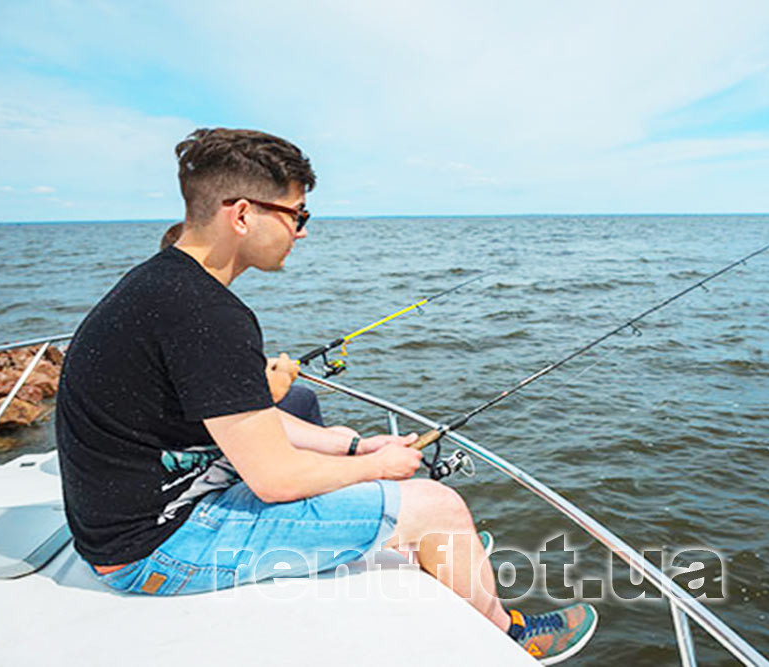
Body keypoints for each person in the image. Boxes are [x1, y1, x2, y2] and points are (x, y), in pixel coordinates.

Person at [56, 128, 597, 664]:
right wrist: (381, 466)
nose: (302, 231)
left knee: (347, 458)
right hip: (158, 549)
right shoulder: (205, 314)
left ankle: (439, 560)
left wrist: (353, 447)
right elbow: (275, 480)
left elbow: (243, 418)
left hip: (135, 526)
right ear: (242, 214)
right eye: (297, 215)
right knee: (439, 508)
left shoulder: (164, 286)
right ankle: (509, 635)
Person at [160, 222, 327, 426]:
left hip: (173, 414)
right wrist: (282, 377)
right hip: (192, 430)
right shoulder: (213, 312)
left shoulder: (166, 295)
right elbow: (243, 405)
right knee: (304, 398)